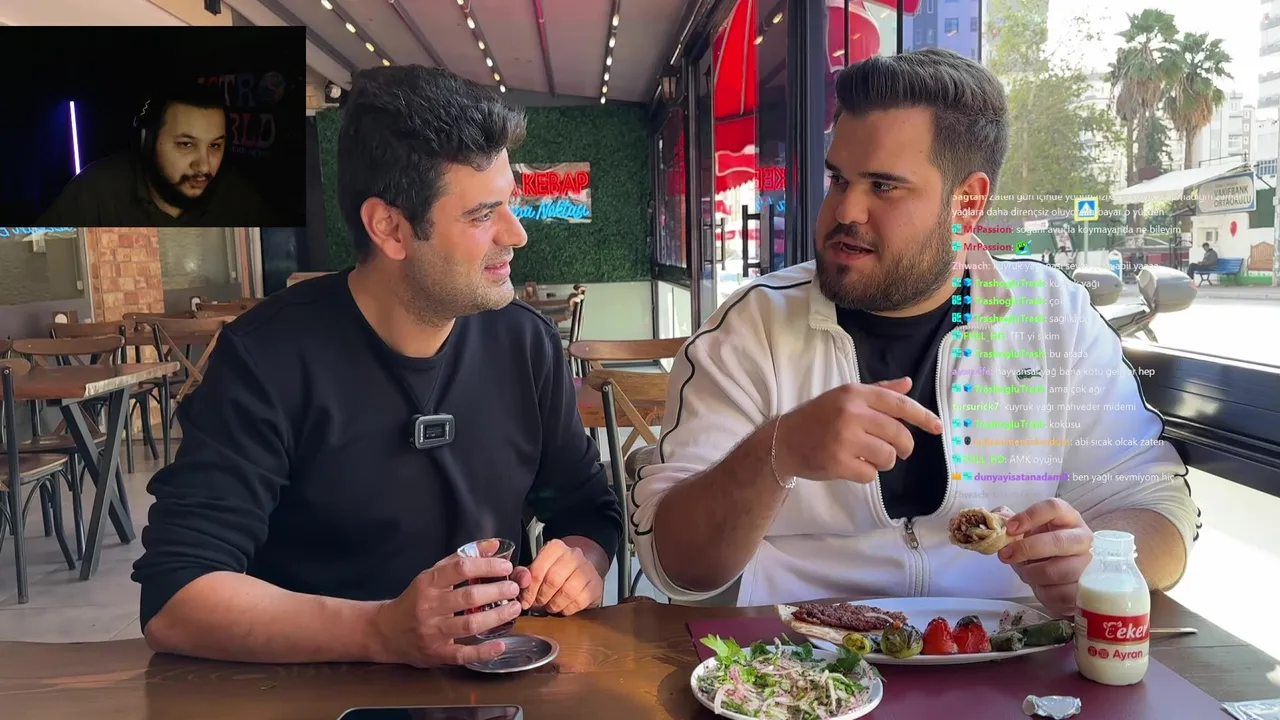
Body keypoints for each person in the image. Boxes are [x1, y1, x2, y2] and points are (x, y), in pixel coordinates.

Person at [629, 49, 1198, 617]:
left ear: (967, 203)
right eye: (838, 179)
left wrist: (1103, 564)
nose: (845, 210)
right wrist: (779, 451)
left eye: (883, 186)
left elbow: (1159, 507)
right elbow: (674, 564)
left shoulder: (1054, 317)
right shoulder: (752, 328)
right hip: (798, 655)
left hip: (1011, 650)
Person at [132, 66, 622, 668]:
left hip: (490, 682)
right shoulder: (267, 358)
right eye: (482, 215)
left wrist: (581, 562)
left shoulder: (526, 344)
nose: (515, 234)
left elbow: (587, 510)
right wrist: (379, 631)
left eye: (510, 205)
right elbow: (176, 597)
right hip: (315, 691)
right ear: (389, 227)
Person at [36, 81, 280, 227]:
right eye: (186, 144)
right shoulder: (95, 191)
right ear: (148, 142)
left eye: (215, 146)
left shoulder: (236, 193)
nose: (204, 166)